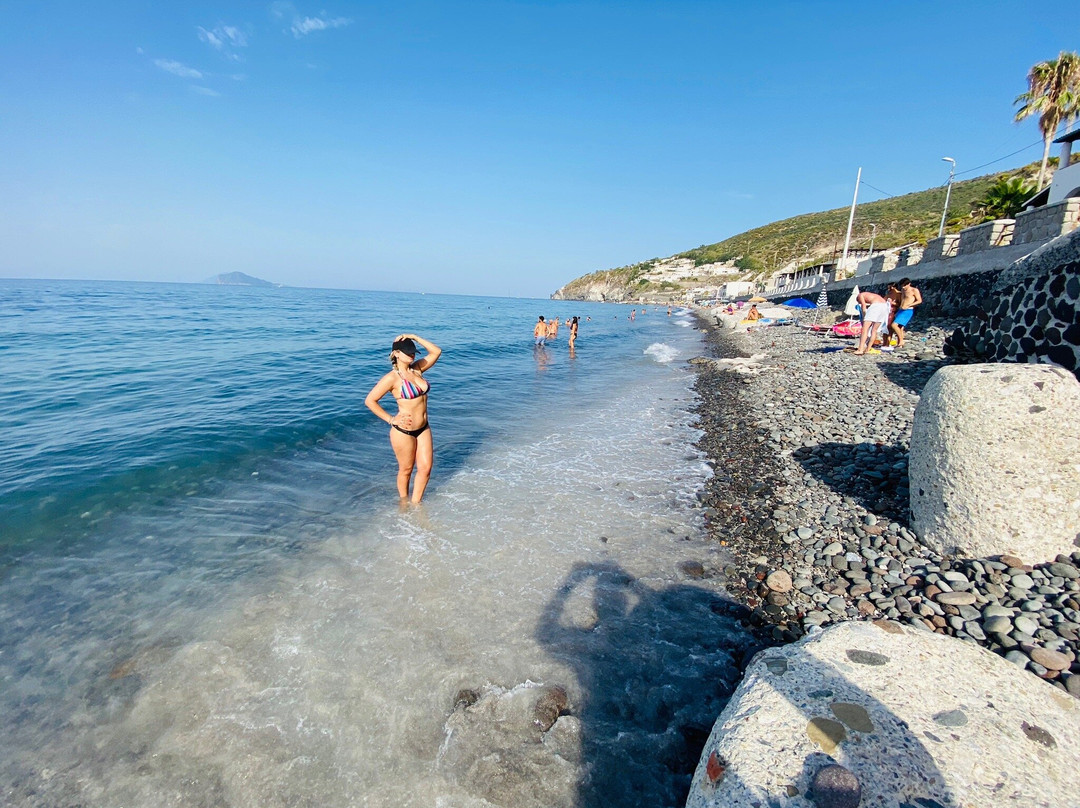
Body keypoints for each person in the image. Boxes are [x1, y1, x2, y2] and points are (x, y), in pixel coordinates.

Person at [364, 334, 442, 505]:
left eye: (413, 351)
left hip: (424, 428)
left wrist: (414, 336)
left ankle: (417, 505)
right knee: (406, 470)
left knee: (425, 469)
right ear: (396, 354)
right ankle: (404, 504)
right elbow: (370, 401)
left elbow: (436, 351)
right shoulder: (392, 378)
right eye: (408, 352)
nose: (412, 355)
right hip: (403, 431)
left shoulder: (417, 369)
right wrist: (391, 419)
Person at [854, 291, 891, 355]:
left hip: (876, 306)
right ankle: (868, 349)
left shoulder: (860, 295)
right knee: (874, 330)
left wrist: (864, 317)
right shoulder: (872, 295)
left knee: (865, 329)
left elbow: (863, 306)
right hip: (885, 306)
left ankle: (860, 349)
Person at [889, 277, 923, 348]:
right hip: (901, 310)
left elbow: (919, 300)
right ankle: (900, 343)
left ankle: (901, 341)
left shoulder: (914, 290)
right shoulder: (902, 290)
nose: (903, 287)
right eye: (902, 286)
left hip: (908, 310)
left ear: (909, 284)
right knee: (900, 327)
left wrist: (909, 305)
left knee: (894, 325)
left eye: (904, 285)